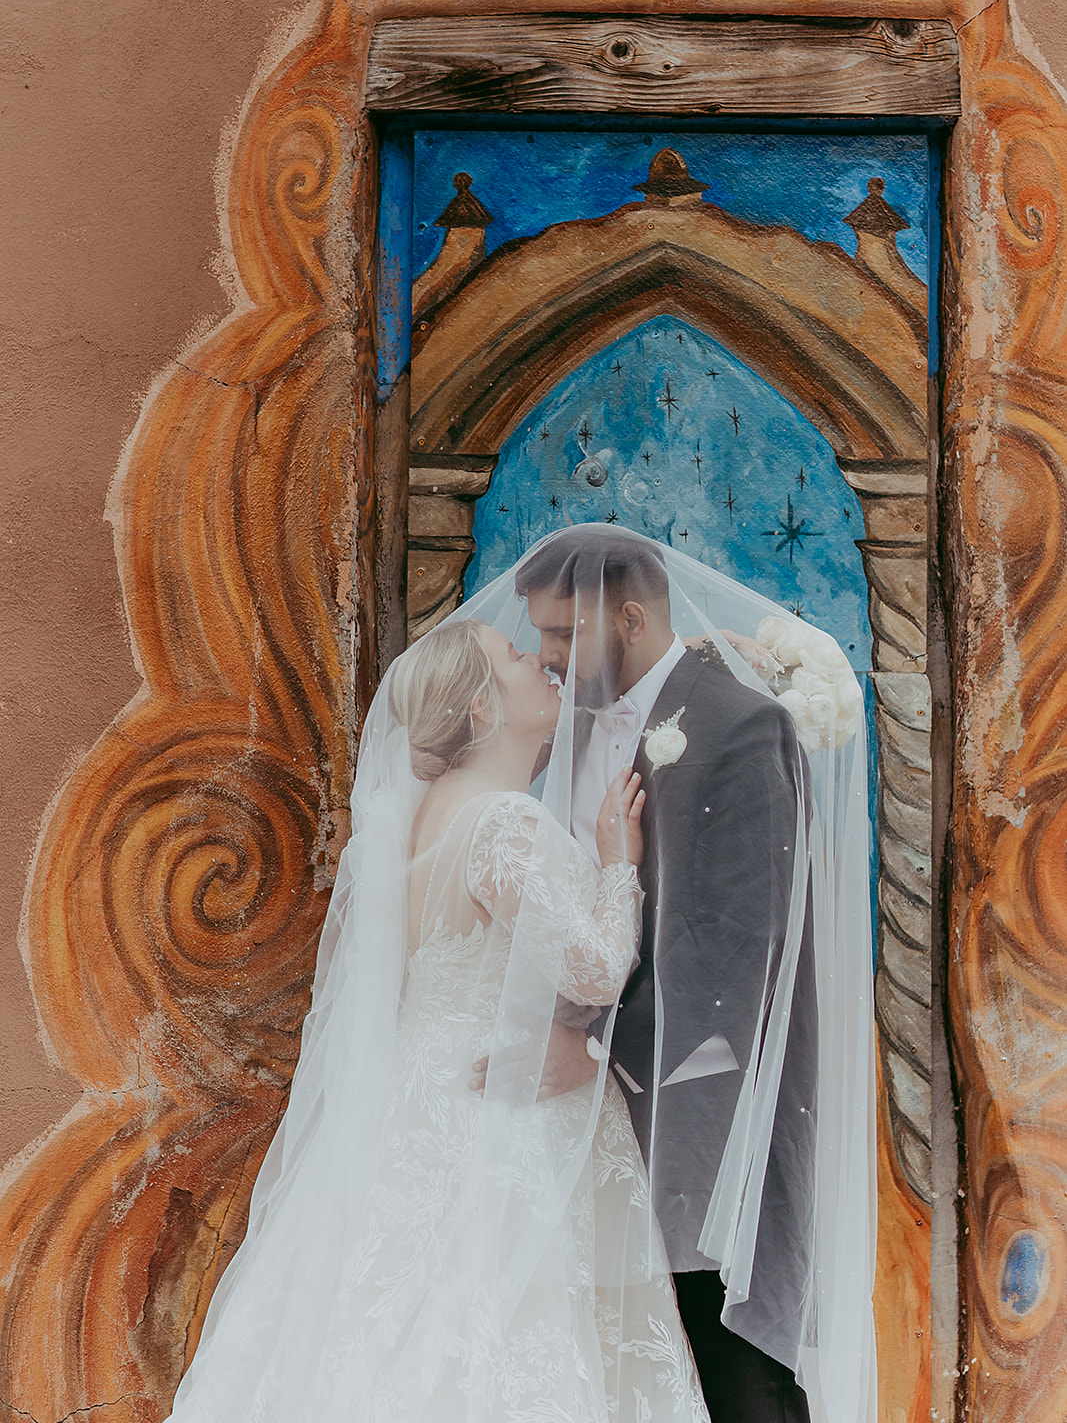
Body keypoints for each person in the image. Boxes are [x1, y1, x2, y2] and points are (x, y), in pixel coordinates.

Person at [164, 616, 710, 1423]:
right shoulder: (500, 822)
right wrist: (616, 865)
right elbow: (591, 967)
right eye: (516, 658)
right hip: (500, 1117)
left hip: (419, 1109)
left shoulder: (424, 821)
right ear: (484, 712)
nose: (538, 662)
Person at [461, 526, 875, 1423]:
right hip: (588, 1113)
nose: (550, 657)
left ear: (633, 618)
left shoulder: (737, 724)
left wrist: (597, 1046)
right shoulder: (564, 723)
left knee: (728, 1358)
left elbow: (737, 947)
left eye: (567, 634)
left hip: (698, 1101)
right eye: (541, 637)